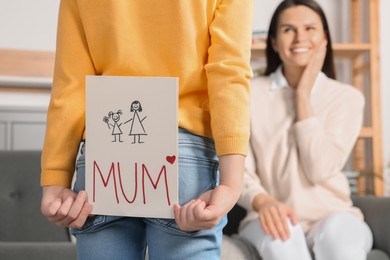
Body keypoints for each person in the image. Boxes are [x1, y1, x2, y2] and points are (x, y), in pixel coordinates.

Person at [40, 1, 253, 259]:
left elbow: (70, 83)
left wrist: (55, 178)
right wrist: (231, 183)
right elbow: (228, 71)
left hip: (106, 155)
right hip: (182, 156)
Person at [237, 1, 373, 260]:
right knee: (284, 241)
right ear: (275, 42)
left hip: (335, 214)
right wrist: (262, 201)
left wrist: (302, 96)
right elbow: (239, 168)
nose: (300, 38)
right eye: (288, 29)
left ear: (324, 39)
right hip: (269, 215)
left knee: (339, 244)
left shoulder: (347, 98)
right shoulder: (251, 94)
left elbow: (320, 168)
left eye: (310, 28)